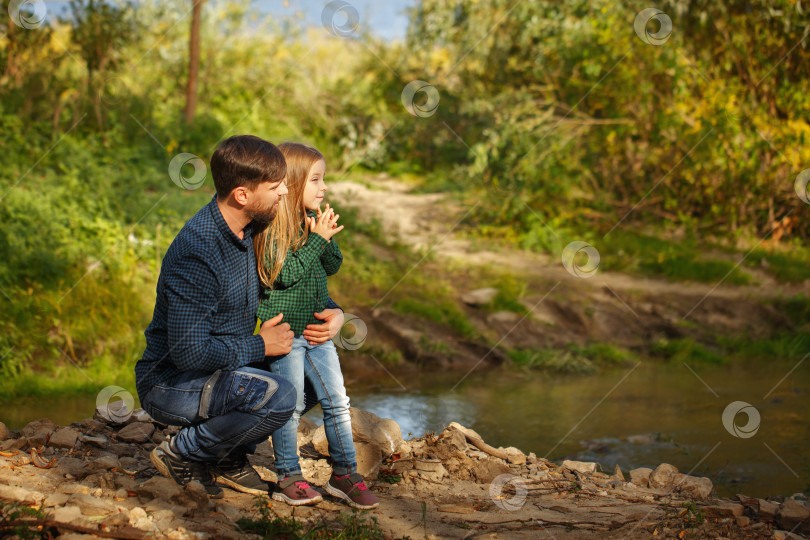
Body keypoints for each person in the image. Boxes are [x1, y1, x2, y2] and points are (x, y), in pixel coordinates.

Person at [134, 135, 345, 497]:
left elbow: (294, 281)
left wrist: (336, 313)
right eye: (275, 186)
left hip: (223, 370)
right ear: (242, 195)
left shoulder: (252, 227)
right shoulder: (198, 253)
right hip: (173, 383)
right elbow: (190, 354)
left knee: (310, 381)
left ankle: (225, 454)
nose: (284, 191)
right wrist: (260, 344)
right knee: (280, 396)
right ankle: (181, 451)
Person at [253, 142, 379, 510]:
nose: (324, 188)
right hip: (284, 335)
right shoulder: (271, 230)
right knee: (289, 405)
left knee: (337, 401)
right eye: (316, 180)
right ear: (291, 184)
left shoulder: (310, 225)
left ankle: (344, 474)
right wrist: (316, 240)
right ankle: (289, 475)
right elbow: (285, 274)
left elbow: (332, 265)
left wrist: (324, 236)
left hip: (316, 332)